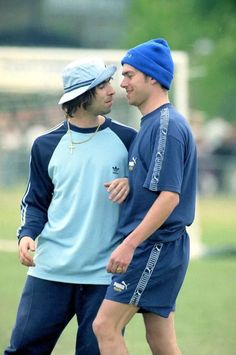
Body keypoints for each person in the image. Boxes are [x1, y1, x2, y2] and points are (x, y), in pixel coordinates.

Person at [5, 58, 136, 355]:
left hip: (105, 275)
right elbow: (35, 201)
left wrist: (132, 185)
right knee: (23, 349)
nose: (111, 89)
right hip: (50, 271)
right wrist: (27, 234)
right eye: (101, 85)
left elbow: (149, 198)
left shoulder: (130, 140)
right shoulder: (44, 145)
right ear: (81, 95)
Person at [93, 38, 197, 355]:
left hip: (154, 247)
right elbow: (155, 185)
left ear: (152, 77)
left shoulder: (166, 125)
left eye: (128, 75)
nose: (121, 84)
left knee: (105, 326)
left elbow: (169, 197)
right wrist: (130, 182)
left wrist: (129, 244)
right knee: (161, 340)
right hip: (160, 247)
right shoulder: (152, 124)